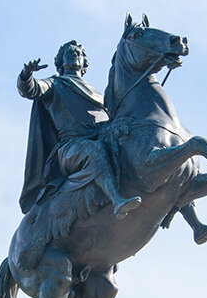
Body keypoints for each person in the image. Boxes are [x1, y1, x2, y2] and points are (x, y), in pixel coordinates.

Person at [18, 40, 140, 216]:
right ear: (61, 63)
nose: (74, 54)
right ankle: (117, 200)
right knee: (94, 150)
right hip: (71, 148)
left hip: (102, 138)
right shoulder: (55, 84)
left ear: (84, 63)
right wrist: (26, 75)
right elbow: (32, 89)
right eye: (68, 53)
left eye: (78, 53)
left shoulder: (98, 93)